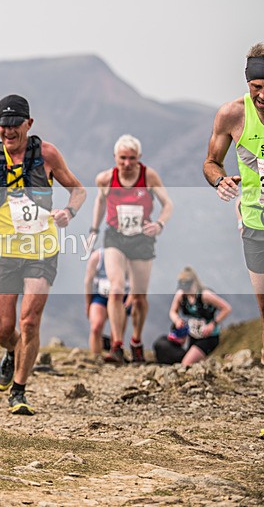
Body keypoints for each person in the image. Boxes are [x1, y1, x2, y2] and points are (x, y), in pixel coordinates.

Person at [0, 94, 86, 415]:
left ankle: (18, 391)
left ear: (29, 124)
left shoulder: (47, 154)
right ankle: (11, 351)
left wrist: (69, 212)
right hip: (4, 251)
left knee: (30, 321)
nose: (9, 131)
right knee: (3, 330)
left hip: (42, 249)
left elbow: (78, 190)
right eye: (3, 125)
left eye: (15, 125)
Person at [203, 42, 264, 365]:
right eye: (256, 87)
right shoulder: (233, 115)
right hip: (256, 220)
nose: (262, 95)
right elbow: (211, 162)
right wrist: (220, 180)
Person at [90, 134, 173, 364]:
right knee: (116, 289)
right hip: (115, 237)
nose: (127, 163)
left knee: (138, 297)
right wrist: (94, 229)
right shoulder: (105, 179)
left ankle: (136, 341)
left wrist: (159, 224)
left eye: (132, 158)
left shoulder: (148, 176)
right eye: (123, 158)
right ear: (115, 157)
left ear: (139, 158)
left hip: (141, 239)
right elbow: (100, 201)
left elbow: (168, 204)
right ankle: (117, 345)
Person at [154, 267, 232, 365]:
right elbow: (172, 311)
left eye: (187, 287)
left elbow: (227, 308)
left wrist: (213, 324)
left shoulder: (205, 295)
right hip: (193, 336)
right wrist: (177, 320)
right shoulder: (181, 295)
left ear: (194, 283)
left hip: (208, 337)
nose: (185, 290)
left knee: (186, 364)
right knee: (188, 361)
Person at [84, 247, 132, 357]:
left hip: (121, 298)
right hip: (101, 296)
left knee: (116, 333)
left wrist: (130, 299)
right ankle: (96, 357)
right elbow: (88, 281)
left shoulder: (130, 257)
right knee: (96, 327)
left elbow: (135, 280)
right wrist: (88, 303)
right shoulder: (98, 256)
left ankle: (115, 355)